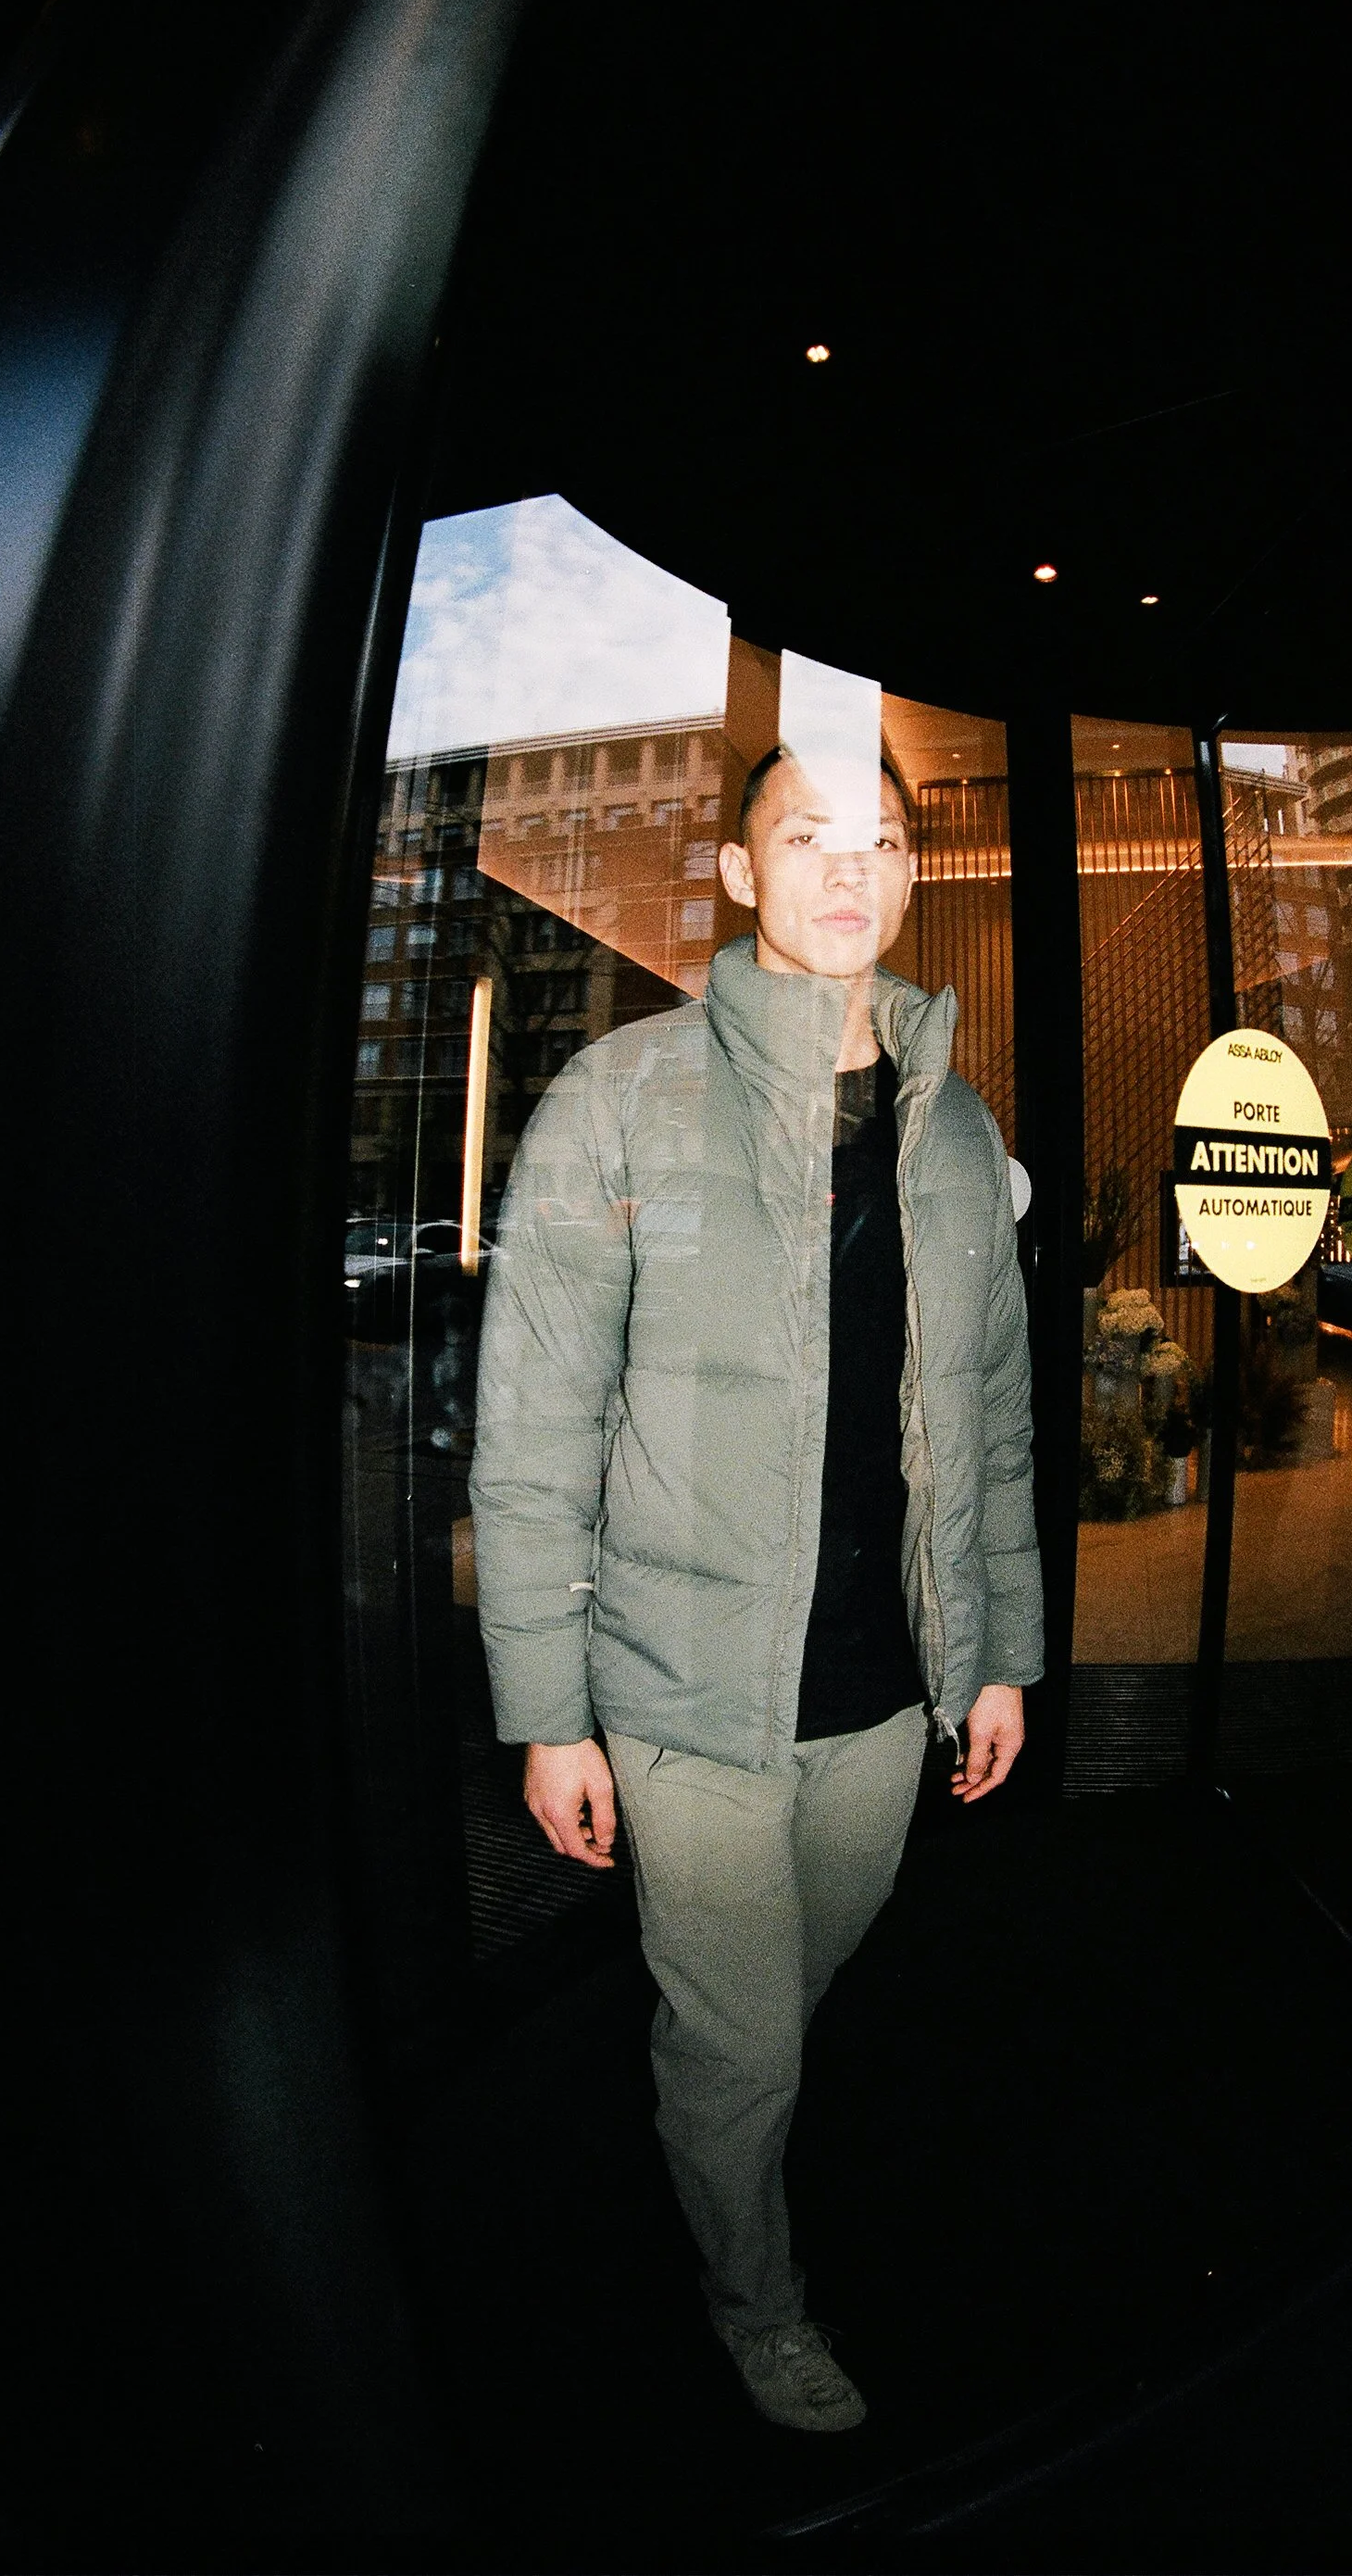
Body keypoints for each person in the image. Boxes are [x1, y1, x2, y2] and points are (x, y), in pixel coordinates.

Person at [469, 743, 1043, 2432]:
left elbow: (990, 1419)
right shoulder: (623, 1096)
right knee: (746, 2041)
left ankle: (702, 2121)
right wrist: (546, 1713)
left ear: (912, 880)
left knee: (779, 1997)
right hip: (679, 1684)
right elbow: (534, 1426)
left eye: (878, 842)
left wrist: (995, 1651)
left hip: (880, 1686)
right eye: (806, 838)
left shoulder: (956, 1128)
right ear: (739, 871)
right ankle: (754, 2298)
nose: (844, 870)